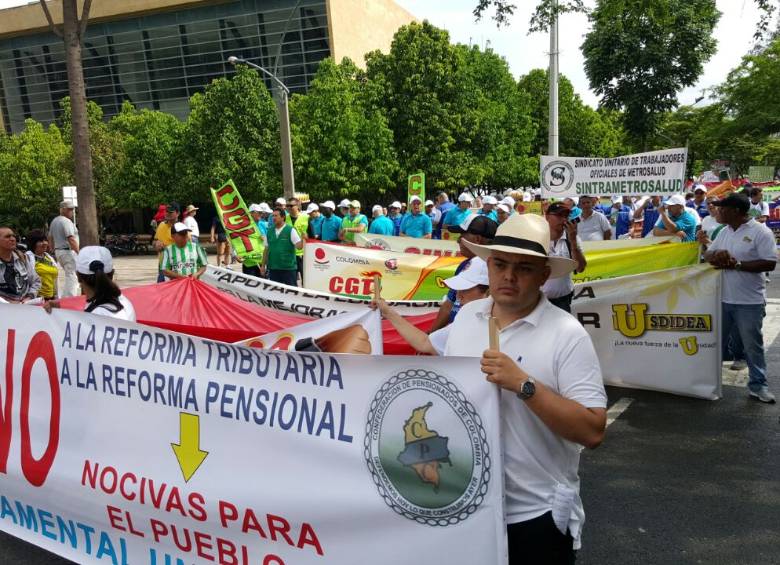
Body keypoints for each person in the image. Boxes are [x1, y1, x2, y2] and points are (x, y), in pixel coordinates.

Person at [442, 213, 606, 562]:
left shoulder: (567, 334)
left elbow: (592, 431)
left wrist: (524, 385)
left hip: (536, 513)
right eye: (500, 264)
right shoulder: (467, 318)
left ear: (544, 275)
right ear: (487, 265)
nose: (509, 276)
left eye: (524, 268)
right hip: (466, 505)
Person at [704, 193, 777, 403]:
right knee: (715, 344)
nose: (718, 211)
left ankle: (758, 386)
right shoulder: (725, 231)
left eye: (722, 208)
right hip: (723, 300)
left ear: (735, 211)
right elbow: (708, 255)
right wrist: (715, 255)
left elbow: (770, 263)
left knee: (752, 347)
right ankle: (708, 383)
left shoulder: (760, 232)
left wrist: (737, 265)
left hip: (749, 302)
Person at [372, 257, 490, 355]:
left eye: (465, 289)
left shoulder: (491, 327)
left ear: (488, 293)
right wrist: (387, 311)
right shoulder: (465, 318)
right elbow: (425, 343)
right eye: (458, 290)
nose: (458, 296)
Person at [429, 214, 497, 332]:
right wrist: (430, 336)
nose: (458, 240)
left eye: (462, 235)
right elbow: (449, 304)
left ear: (477, 239)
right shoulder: (464, 265)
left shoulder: (495, 270)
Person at [543, 203, 587, 313]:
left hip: (563, 299)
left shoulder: (572, 238)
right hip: (538, 300)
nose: (563, 219)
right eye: (559, 215)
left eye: (566, 216)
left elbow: (580, 268)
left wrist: (573, 241)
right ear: (547, 217)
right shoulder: (537, 237)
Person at [262, 209, 303, 286]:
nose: (273, 218)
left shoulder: (290, 230)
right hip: (273, 268)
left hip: (288, 269)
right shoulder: (269, 231)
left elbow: (299, 247)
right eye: (273, 216)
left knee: (291, 291)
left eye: (276, 216)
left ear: (283, 217)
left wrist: (303, 239)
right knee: (275, 292)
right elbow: (266, 249)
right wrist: (263, 266)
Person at [0, 226, 41, 303]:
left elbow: (36, 281)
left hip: (24, 306)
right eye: (7, 236)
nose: (13, 239)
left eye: (13, 236)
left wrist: (30, 296)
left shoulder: (22, 258)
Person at [49, 200, 80, 296]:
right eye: (69, 209)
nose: (72, 211)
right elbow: (71, 239)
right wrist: (79, 252)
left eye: (72, 209)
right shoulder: (66, 221)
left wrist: (53, 250)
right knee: (72, 276)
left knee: (68, 275)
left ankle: (64, 296)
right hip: (67, 251)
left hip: (59, 252)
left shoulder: (54, 221)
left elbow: (50, 237)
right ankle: (70, 298)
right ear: (62, 210)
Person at [25, 230, 58, 300]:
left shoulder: (49, 258)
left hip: (51, 298)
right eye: (40, 241)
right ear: (33, 243)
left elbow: (54, 280)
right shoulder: (27, 258)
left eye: (45, 240)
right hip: (36, 299)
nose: (45, 243)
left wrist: (55, 296)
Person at [154, 202, 179, 281]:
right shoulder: (161, 225)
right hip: (162, 264)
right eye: (166, 211)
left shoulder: (181, 228)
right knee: (161, 287)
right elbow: (155, 241)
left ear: (178, 213)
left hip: (176, 266)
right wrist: (156, 244)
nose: (167, 213)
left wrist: (167, 248)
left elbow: (186, 248)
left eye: (170, 212)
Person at [285, 198, 309, 278]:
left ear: (298, 206)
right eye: (287, 206)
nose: (288, 207)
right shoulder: (284, 218)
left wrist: (307, 237)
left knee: (305, 278)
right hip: (290, 253)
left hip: (303, 253)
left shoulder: (306, 218)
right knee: (291, 278)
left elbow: (312, 235)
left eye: (291, 205)